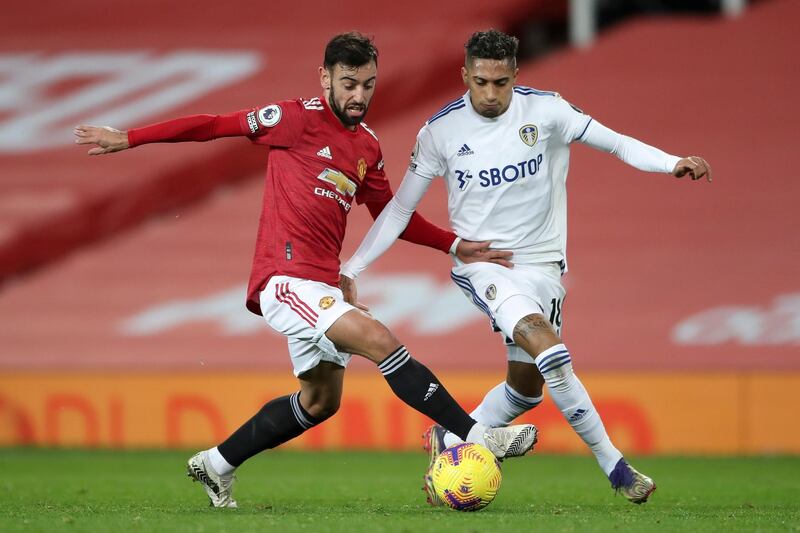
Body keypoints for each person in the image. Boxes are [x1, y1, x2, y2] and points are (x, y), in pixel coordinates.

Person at [74, 32, 538, 509]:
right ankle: (479, 435)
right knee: (381, 342)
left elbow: (393, 216)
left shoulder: (368, 148)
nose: (360, 96)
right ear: (326, 78)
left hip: (322, 285)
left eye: (369, 85)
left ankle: (216, 464)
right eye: (349, 84)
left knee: (320, 402)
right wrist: (128, 138)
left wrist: (456, 244)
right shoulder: (293, 119)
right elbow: (213, 125)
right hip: (284, 280)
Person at [339, 29, 712, 505]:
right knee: (549, 348)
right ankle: (614, 466)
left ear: (516, 75)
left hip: (545, 268)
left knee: (527, 390)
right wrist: (354, 265)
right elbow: (398, 210)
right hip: (487, 267)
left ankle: (450, 440)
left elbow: (616, 144)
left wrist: (672, 162)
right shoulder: (439, 131)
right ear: (465, 77)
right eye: (480, 83)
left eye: (501, 83)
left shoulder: (549, 111)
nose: (491, 94)